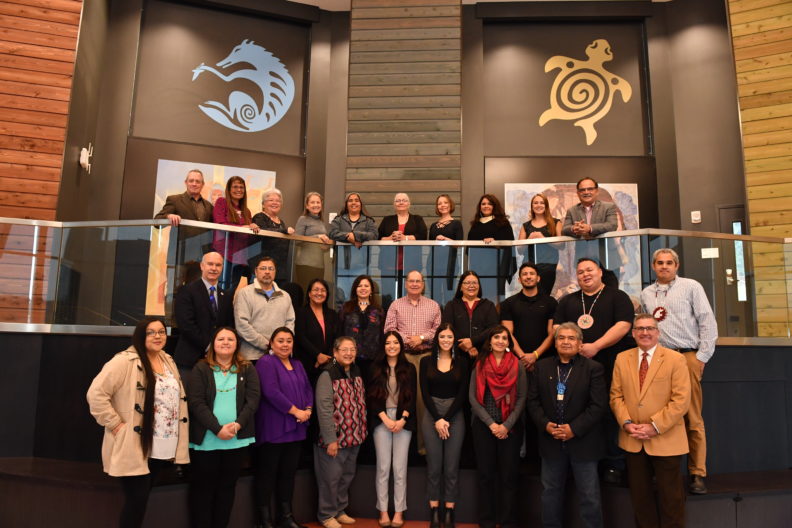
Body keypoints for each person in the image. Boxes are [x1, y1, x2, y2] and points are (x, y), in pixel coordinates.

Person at [87, 317, 189, 528]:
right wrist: (115, 424)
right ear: (140, 335)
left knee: (143, 499)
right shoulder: (124, 361)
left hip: (162, 442)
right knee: (137, 501)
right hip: (135, 443)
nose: (157, 336)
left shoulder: (168, 359)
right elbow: (96, 394)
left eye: (161, 332)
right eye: (151, 332)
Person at [640, 248, 718, 495]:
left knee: (692, 417)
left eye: (669, 263)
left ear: (677, 265)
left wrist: (701, 357)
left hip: (687, 356)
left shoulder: (691, 286)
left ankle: (697, 472)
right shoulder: (646, 293)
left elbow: (707, 321)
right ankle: (662, 470)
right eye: (659, 263)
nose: (664, 266)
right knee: (660, 414)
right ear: (653, 266)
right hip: (659, 359)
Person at [554, 257, 635, 482]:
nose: (585, 275)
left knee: (609, 413)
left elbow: (624, 325)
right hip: (575, 368)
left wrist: (596, 346)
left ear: (600, 272)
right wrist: (574, 348)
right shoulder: (568, 301)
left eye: (589, 270)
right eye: (580, 272)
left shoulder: (617, 297)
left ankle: (614, 463)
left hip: (610, 366)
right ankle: (581, 463)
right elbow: (557, 328)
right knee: (577, 412)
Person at [610, 314, 691, 528]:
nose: (645, 332)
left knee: (671, 500)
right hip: (633, 439)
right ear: (633, 333)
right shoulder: (622, 358)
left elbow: (681, 400)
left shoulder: (675, 359)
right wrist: (627, 423)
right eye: (640, 328)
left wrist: (655, 426)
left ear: (658, 332)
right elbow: (616, 396)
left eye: (649, 328)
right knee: (641, 501)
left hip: (666, 440)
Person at [526, 323, 607, 528]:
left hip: (583, 442)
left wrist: (573, 429)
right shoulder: (542, 367)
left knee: (589, 496)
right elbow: (532, 402)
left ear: (580, 344)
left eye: (571, 338)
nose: (566, 342)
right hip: (551, 441)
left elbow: (598, 406)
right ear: (555, 343)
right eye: (561, 338)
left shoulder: (593, 369)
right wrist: (545, 425)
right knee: (550, 494)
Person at [187, 327, 260, 528]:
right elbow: (196, 402)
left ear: (237, 344)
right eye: (221, 339)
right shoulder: (201, 368)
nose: (226, 342)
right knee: (203, 489)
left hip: (236, 440)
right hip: (207, 440)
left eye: (230, 339)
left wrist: (238, 425)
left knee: (227, 489)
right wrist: (217, 429)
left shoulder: (247, 368)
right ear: (213, 344)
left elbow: (253, 400)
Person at [469, 325, 527, 528]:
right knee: (485, 475)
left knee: (509, 477)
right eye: (497, 337)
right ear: (490, 341)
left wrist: (506, 426)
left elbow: (522, 398)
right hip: (485, 426)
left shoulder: (517, 365)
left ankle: (508, 521)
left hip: (510, 428)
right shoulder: (480, 364)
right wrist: (492, 424)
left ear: (509, 342)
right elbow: (472, 398)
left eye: (504, 338)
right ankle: (486, 521)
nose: (500, 341)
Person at [255, 327, 314, 528]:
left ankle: (286, 517)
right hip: (274, 428)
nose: (285, 344)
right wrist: (296, 411)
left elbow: (307, 388)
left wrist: (308, 408)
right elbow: (271, 392)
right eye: (280, 340)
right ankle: (264, 522)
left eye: (289, 340)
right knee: (267, 475)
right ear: (271, 343)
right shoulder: (266, 362)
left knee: (288, 475)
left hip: (296, 429)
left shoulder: (298, 364)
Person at [384, 270, 441, 454]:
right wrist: (408, 339)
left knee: (423, 401)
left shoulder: (433, 305)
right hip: (403, 357)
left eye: (418, 281)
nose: (415, 284)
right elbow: (389, 329)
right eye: (411, 281)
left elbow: (438, 331)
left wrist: (421, 338)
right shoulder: (396, 305)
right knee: (402, 399)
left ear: (423, 284)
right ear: (406, 284)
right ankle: (401, 448)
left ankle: (423, 447)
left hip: (426, 357)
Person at [314, 336, 368, 528]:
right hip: (334, 440)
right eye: (344, 350)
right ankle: (326, 514)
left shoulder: (356, 370)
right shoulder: (327, 374)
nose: (349, 353)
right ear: (335, 352)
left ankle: (339, 509)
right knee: (330, 479)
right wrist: (330, 439)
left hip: (354, 437)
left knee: (346, 477)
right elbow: (324, 409)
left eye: (352, 349)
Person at [420, 324, 469, 528]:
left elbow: (462, 394)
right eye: (442, 337)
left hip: (455, 416)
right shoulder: (425, 361)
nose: (446, 340)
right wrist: (437, 419)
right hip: (431, 414)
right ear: (437, 339)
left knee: (451, 467)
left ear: (454, 339)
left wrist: (446, 419)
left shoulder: (463, 362)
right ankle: (434, 510)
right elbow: (424, 393)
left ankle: (449, 510)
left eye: (450, 336)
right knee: (433, 467)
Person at [367, 331, 417, 528]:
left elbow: (412, 397)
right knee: (383, 467)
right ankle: (383, 510)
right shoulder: (375, 368)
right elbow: (371, 397)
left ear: (401, 345)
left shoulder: (409, 368)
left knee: (399, 468)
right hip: (381, 419)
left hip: (403, 420)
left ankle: (398, 511)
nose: (392, 346)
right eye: (388, 343)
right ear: (383, 346)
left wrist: (403, 419)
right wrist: (385, 419)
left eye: (395, 342)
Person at [173, 251, 235, 378]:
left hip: (218, 361)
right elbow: (186, 325)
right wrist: (210, 346)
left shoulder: (226, 295)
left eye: (218, 265)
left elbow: (228, 325)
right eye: (210, 264)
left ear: (222, 268)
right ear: (202, 266)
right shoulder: (187, 291)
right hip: (190, 360)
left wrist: (219, 347)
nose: (214, 268)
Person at [234, 256, 296, 361]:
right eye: (263, 268)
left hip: (280, 355)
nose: (267, 272)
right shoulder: (245, 293)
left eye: (271, 269)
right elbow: (242, 325)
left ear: (275, 272)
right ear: (256, 271)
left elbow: (290, 323)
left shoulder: (285, 296)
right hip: (251, 357)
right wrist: (269, 345)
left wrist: (281, 344)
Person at [501, 262, 558, 369]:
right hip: (518, 361)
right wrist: (522, 356)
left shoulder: (550, 302)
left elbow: (552, 333)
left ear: (538, 278)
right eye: (524, 274)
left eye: (532, 273)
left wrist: (535, 355)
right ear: (519, 280)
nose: (528, 276)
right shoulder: (509, 303)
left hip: (545, 359)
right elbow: (508, 333)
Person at [212, 176, 260, 291]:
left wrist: (253, 227)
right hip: (223, 255)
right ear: (229, 189)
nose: (239, 190)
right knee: (219, 291)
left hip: (240, 258)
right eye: (235, 187)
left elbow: (247, 235)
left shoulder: (246, 211)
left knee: (230, 292)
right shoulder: (221, 202)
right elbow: (220, 224)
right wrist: (242, 227)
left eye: (241, 187)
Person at [378, 193, 427, 303]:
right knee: (387, 296)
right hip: (388, 265)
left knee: (411, 296)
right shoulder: (387, 220)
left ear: (409, 204)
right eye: (398, 200)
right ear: (394, 204)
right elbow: (378, 238)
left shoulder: (417, 219)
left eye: (404, 200)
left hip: (411, 265)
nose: (401, 202)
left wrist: (406, 238)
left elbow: (423, 236)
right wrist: (390, 238)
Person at [441, 270, 499, 361]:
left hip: (483, 355)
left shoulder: (488, 305)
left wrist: (472, 342)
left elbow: (493, 328)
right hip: (457, 355)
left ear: (479, 286)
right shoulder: (451, 305)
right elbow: (446, 329)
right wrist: (465, 346)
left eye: (474, 283)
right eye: (467, 283)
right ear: (460, 287)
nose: (471, 286)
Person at [467, 194, 516, 298]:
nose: (486, 206)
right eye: (483, 204)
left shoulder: (503, 223)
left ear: (494, 206)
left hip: (496, 268)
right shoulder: (475, 225)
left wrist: (496, 242)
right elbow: (469, 249)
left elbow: (509, 246)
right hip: (478, 267)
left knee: (495, 298)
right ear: (480, 206)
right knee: (478, 296)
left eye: (489, 204)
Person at [338, 274, 385, 380]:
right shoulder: (346, 308)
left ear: (371, 290)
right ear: (355, 289)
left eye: (366, 286)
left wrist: (381, 358)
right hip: (349, 359)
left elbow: (382, 335)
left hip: (373, 361)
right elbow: (339, 333)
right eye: (360, 286)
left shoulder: (379, 310)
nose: (363, 288)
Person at [295, 278, 339, 384]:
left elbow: (337, 337)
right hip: (308, 363)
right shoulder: (300, 312)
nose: (319, 293)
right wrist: (318, 355)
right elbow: (300, 337)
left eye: (323, 290)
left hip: (329, 364)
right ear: (309, 293)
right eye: (316, 290)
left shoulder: (332, 314)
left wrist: (328, 358)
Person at [517, 193, 561, 296]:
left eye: (542, 203)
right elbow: (519, 250)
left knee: (544, 296)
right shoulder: (525, 226)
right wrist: (529, 240)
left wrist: (543, 239)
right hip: (529, 267)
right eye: (535, 203)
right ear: (532, 206)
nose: (538, 205)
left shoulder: (556, 223)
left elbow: (561, 245)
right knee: (529, 294)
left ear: (546, 206)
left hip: (548, 266)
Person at [328, 192, 379, 280]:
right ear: (346, 204)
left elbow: (374, 235)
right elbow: (331, 233)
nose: (353, 203)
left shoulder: (368, 221)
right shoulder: (338, 219)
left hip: (362, 267)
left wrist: (355, 235)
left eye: (356, 200)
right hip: (340, 266)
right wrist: (348, 237)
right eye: (350, 201)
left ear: (361, 204)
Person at [252, 188, 295, 284]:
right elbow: (264, 231)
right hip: (264, 268)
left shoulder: (281, 222)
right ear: (263, 204)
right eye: (271, 200)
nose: (275, 203)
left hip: (280, 269)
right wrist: (284, 231)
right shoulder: (259, 217)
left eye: (278, 201)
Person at [429, 194, 464, 304]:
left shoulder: (456, 223)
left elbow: (459, 243)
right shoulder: (433, 225)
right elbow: (429, 244)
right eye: (439, 203)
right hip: (433, 263)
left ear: (450, 205)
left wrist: (445, 239)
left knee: (449, 293)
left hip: (450, 263)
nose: (442, 205)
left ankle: (449, 314)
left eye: (445, 202)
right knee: (435, 294)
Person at [155, 169, 214, 234]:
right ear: (186, 183)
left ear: (202, 184)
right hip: (181, 241)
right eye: (191, 181)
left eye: (198, 181)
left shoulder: (209, 206)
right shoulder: (174, 200)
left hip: (204, 241)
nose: (194, 184)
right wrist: (168, 216)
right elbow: (156, 222)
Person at [294, 192, 332, 287]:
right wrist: (317, 237)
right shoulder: (302, 219)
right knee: (306, 291)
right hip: (305, 264)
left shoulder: (321, 222)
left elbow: (322, 245)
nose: (316, 205)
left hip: (319, 264)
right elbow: (297, 240)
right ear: (307, 206)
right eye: (312, 202)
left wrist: (326, 246)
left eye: (318, 202)